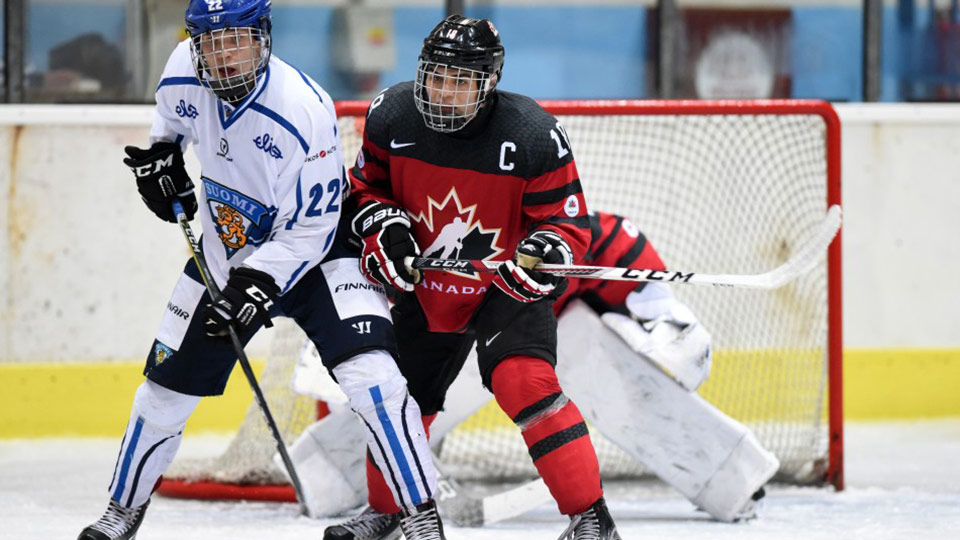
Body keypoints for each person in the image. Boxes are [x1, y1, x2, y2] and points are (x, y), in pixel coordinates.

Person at [76, 1, 441, 538]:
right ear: (194, 43)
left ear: (263, 37)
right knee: (162, 394)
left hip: (319, 254)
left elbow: (314, 227)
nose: (223, 55)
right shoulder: (182, 67)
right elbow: (169, 128)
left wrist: (257, 283)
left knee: (376, 380)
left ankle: (420, 516)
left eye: (237, 39)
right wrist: (161, 162)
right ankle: (121, 511)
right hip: (227, 251)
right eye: (210, 42)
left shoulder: (302, 107)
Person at [326, 14, 621, 540]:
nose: (443, 91)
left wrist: (543, 250)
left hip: (505, 286)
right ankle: (388, 510)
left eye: (460, 81)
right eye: (435, 76)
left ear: (489, 83)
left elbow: (568, 222)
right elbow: (365, 190)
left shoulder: (533, 135)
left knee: (524, 382)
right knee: (400, 398)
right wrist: (385, 227)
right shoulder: (391, 114)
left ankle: (591, 520)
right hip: (428, 283)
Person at [294, 210, 776, 525]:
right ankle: (331, 477)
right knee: (407, 395)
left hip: (541, 333)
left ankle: (732, 476)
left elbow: (629, 265)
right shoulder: (423, 238)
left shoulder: (578, 233)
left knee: (580, 351)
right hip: (458, 327)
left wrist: (668, 320)